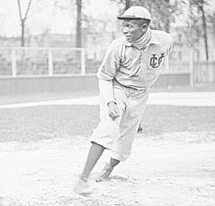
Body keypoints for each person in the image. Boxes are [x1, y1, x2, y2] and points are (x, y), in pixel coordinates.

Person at [74, 5, 174, 195]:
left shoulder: (165, 40)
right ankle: (82, 179)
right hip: (118, 89)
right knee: (109, 127)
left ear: (144, 27)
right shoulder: (118, 46)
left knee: (126, 140)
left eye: (131, 26)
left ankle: (108, 168)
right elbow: (104, 76)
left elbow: (159, 58)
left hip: (141, 94)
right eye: (125, 26)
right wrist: (110, 101)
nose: (126, 30)